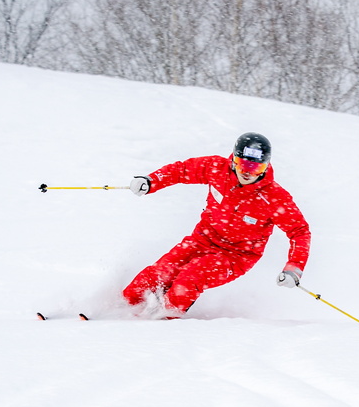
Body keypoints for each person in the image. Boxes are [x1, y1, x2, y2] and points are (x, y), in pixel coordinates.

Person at [122, 132, 310, 318]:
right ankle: (119, 309)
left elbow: (299, 232)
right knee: (159, 273)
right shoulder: (217, 169)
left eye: (255, 168)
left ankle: (162, 320)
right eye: (242, 164)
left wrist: (294, 268)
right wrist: (151, 181)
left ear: (266, 167)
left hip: (236, 256)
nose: (247, 172)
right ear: (233, 161)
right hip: (201, 240)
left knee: (190, 278)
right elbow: (182, 170)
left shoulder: (274, 197)